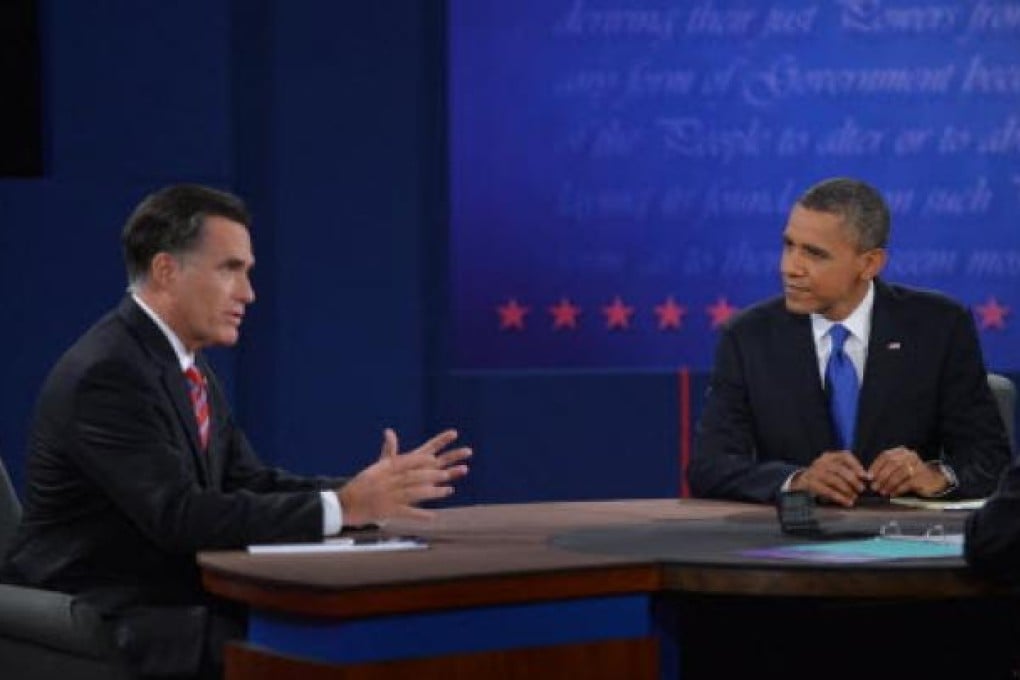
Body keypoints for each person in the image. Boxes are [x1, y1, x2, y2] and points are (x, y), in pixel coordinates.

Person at [1, 184, 472, 678]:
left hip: (165, 590)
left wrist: (358, 494)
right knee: (314, 645)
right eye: (231, 269)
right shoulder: (109, 373)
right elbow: (179, 515)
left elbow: (244, 480)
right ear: (166, 271)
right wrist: (343, 508)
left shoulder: (181, 363)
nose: (249, 293)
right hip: (107, 605)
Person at [688, 177, 1009, 505]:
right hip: (792, 542)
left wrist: (937, 476)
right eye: (789, 245)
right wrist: (797, 480)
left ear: (869, 263)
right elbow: (710, 466)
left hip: (903, 540)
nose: (789, 267)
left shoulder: (939, 327)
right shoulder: (748, 338)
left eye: (814, 253)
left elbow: (990, 459)